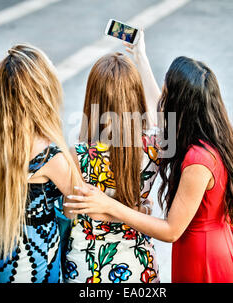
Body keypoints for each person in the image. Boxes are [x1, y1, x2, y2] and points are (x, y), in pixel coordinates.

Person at [65, 32, 233, 283]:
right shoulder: (167, 144)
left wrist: (109, 206)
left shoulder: (198, 159)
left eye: (166, 97)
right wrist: (140, 57)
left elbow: (171, 230)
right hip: (156, 258)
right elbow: (158, 120)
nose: (161, 102)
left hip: (200, 255)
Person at [0, 44, 83, 283]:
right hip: (34, 260)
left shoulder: (1, 142)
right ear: (43, 92)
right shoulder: (49, 154)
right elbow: (80, 202)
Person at [63, 50, 162, 283]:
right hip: (139, 264)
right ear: (135, 97)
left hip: (87, 266)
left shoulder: (77, 155)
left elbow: (70, 212)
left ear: (92, 99)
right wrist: (143, 210)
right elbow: (161, 113)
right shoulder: (156, 147)